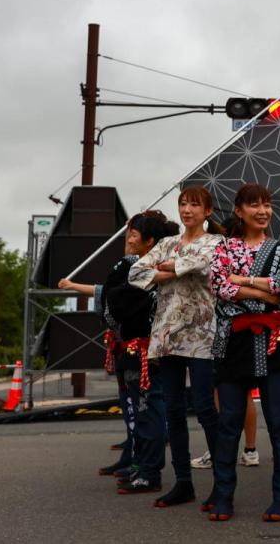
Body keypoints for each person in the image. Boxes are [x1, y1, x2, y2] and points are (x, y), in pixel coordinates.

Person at [58, 211, 178, 491]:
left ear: (150, 240)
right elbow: (111, 295)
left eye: (134, 234)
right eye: (128, 234)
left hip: (148, 346)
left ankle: (149, 469)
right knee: (136, 409)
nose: (129, 239)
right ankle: (139, 464)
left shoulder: (156, 267)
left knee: (149, 410)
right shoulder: (141, 266)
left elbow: (115, 298)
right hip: (133, 345)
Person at [208, 183, 280, 522]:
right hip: (232, 342)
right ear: (239, 210)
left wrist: (244, 281)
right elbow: (220, 286)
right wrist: (266, 288)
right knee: (229, 422)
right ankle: (222, 496)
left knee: (279, 423)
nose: (262, 211)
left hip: (274, 342)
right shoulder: (224, 246)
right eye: (254, 205)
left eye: (267, 204)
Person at [128, 187, 224, 509]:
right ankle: (183, 482)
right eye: (183, 203)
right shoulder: (168, 243)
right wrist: (171, 266)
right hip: (166, 335)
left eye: (194, 205)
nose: (187, 209)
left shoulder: (216, 243)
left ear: (208, 211)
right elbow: (135, 273)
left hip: (201, 334)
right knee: (173, 410)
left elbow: (199, 264)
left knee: (205, 408)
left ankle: (222, 484)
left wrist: (167, 269)